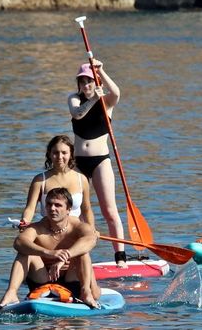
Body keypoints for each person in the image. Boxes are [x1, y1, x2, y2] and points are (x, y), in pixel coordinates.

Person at [0, 187, 101, 310]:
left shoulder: (78, 226)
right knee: (25, 252)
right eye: (49, 204)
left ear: (68, 209)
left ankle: (86, 292)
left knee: (83, 253)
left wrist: (65, 256)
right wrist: (49, 253)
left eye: (58, 205)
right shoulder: (38, 227)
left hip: (72, 280)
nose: (52, 208)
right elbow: (19, 242)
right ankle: (11, 293)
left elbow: (91, 239)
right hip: (43, 281)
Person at [67, 59, 128, 267]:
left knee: (109, 211)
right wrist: (93, 99)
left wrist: (102, 71)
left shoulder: (107, 101)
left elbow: (117, 93)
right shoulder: (74, 99)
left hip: (100, 161)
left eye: (90, 82)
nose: (86, 86)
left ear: (97, 82)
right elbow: (78, 114)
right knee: (77, 211)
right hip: (77, 164)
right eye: (82, 83)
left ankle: (120, 257)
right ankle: (77, 256)